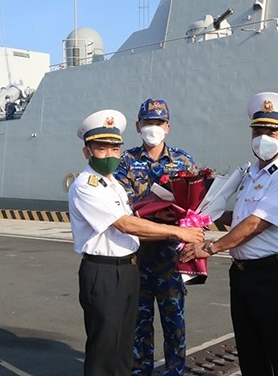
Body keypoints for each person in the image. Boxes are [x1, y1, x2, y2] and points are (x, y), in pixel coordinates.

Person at [69, 109, 204, 376]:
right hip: (105, 271)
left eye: (114, 148)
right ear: (87, 152)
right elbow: (125, 224)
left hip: (129, 269)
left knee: (123, 347)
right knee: (105, 348)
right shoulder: (87, 185)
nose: (109, 154)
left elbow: (132, 229)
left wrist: (182, 225)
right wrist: (177, 233)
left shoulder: (113, 185)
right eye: (101, 148)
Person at [181, 92, 278, 376]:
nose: (263, 136)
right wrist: (202, 217)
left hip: (273, 274)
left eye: (271, 131)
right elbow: (239, 217)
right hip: (243, 274)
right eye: (258, 130)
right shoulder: (251, 173)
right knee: (250, 351)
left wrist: (210, 248)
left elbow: (255, 224)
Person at [113, 98, 196, 376]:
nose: (153, 128)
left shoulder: (184, 161)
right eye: (147, 122)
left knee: (175, 326)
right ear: (138, 126)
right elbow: (121, 208)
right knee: (138, 328)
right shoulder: (124, 162)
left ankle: (175, 372)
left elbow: (195, 209)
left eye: (158, 123)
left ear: (168, 127)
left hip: (172, 260)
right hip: (136, 260)